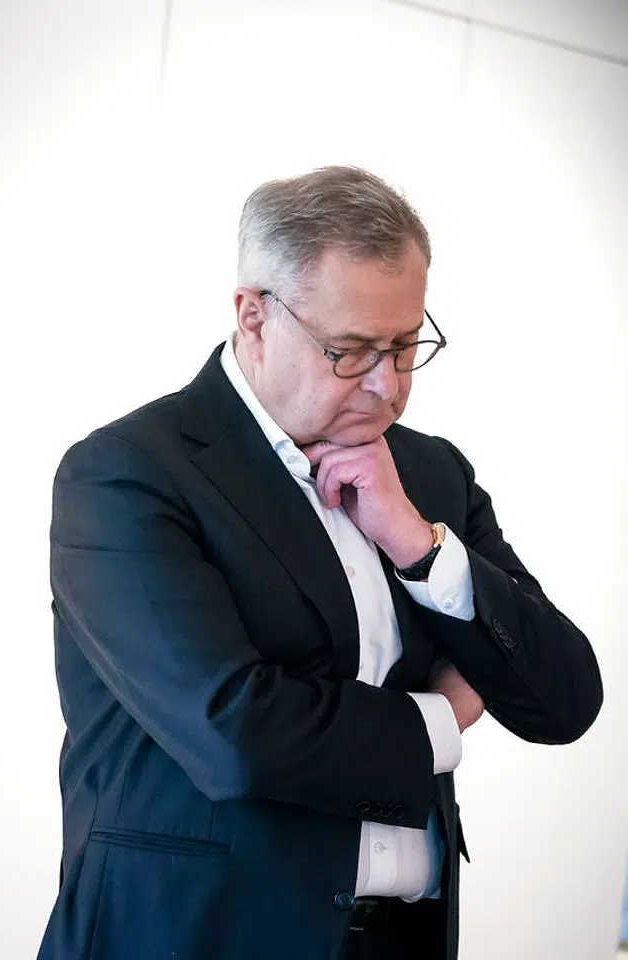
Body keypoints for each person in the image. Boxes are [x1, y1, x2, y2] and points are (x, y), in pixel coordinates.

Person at [35, 166, 602, 960]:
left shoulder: (431, 474)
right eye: (350, 351)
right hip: (199, 937)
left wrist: (421, 547)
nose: (387, 386)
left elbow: (564, 700)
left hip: (401, 942)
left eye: (405, 346)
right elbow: (236, 734)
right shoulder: (128, 474)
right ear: (254, 317)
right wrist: (442, 717)